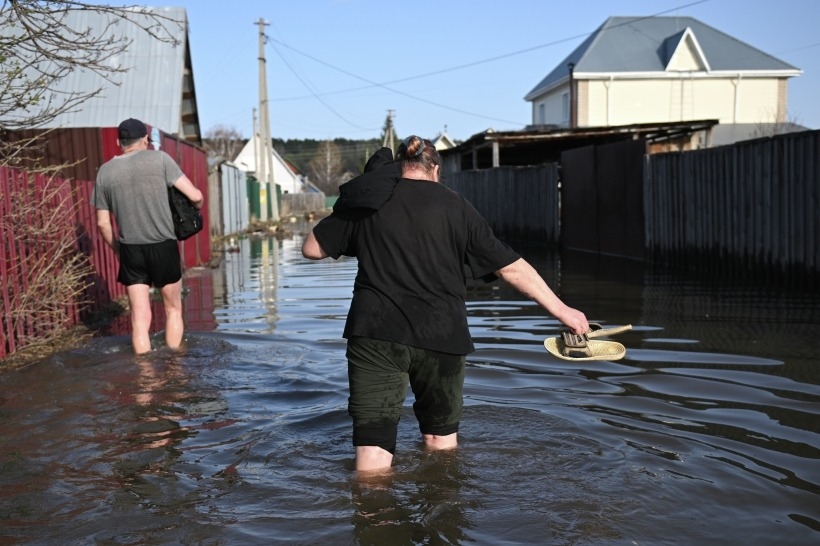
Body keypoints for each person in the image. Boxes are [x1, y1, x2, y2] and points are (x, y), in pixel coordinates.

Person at [302, 135, 589, 473]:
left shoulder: (369, 202)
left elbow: (312, 248)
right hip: (442, 335)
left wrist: (359, 199)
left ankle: (374, 520)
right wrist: (563, 310)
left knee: (373, 455)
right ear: (435, 169)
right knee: (441, 443)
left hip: (376, 334)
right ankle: (441, 509)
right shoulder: (456, 206)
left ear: (398, 168)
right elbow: (510, 267)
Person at [91, 118, 204, 355]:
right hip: (163, 245)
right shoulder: (161, 159)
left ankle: (144, 381)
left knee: (139, 320)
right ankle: (174, 370)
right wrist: (198, 202)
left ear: (119, 142)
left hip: (131, 249)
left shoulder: (105, 171)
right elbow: (194, 196)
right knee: (173, 309)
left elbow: (103, 224)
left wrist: (119, 251)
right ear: (145, 139)